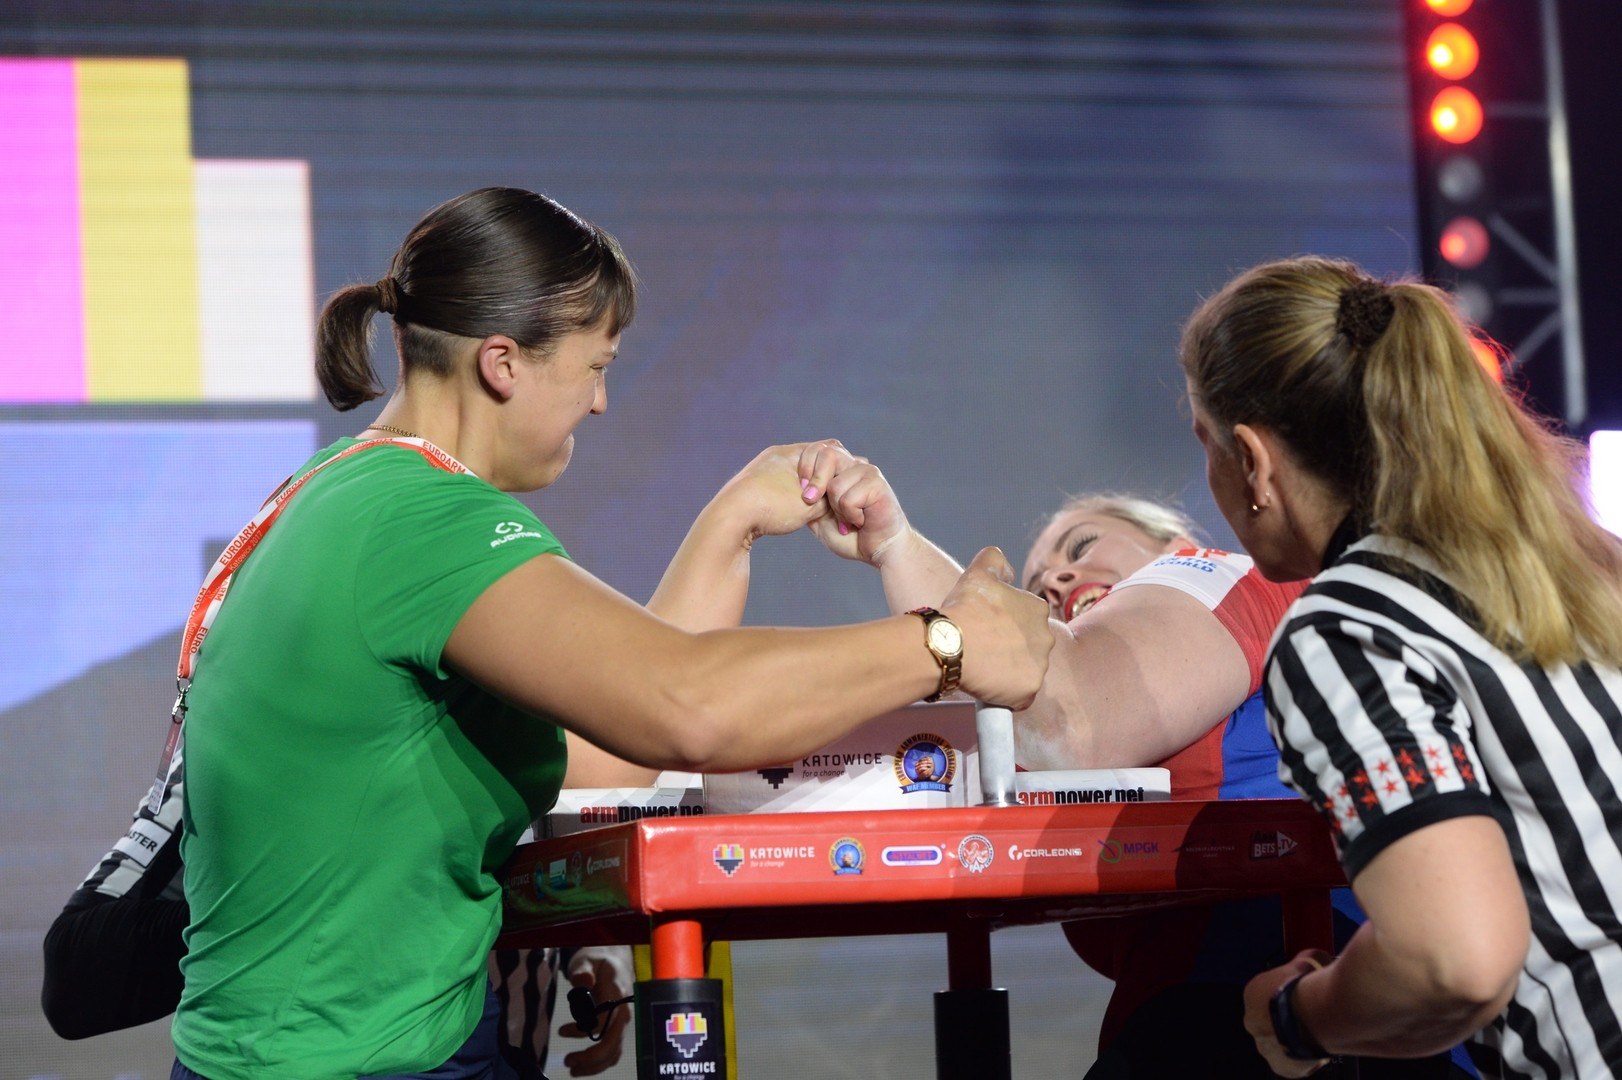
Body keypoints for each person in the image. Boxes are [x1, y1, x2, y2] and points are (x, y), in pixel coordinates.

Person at [166, 187, 1051, 1080]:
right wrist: (947, 642)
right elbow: (688, 707)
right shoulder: (422, 522)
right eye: (595, 366)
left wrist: (734, 522)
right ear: (503, 364)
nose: (599, 403)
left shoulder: (341, 491)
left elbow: (610, 755)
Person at [791, 451, 1474, 1077]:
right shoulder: (1042, 706)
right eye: (1036, 588)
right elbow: (1015, 691)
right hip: (1209, 1026)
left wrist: (899, 545)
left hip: (1334, 1007)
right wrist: (892, 549)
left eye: (1082, 545)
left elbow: (1072, 723)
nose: (1056, 577)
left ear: (1171, 548)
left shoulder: (1222, 577)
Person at [1180, 255, 1622, 1078]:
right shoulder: (1590, 566)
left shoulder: (1349, 625)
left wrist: (1297, 1016)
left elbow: (1452, 958)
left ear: (1252, 461)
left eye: (1205, 445)